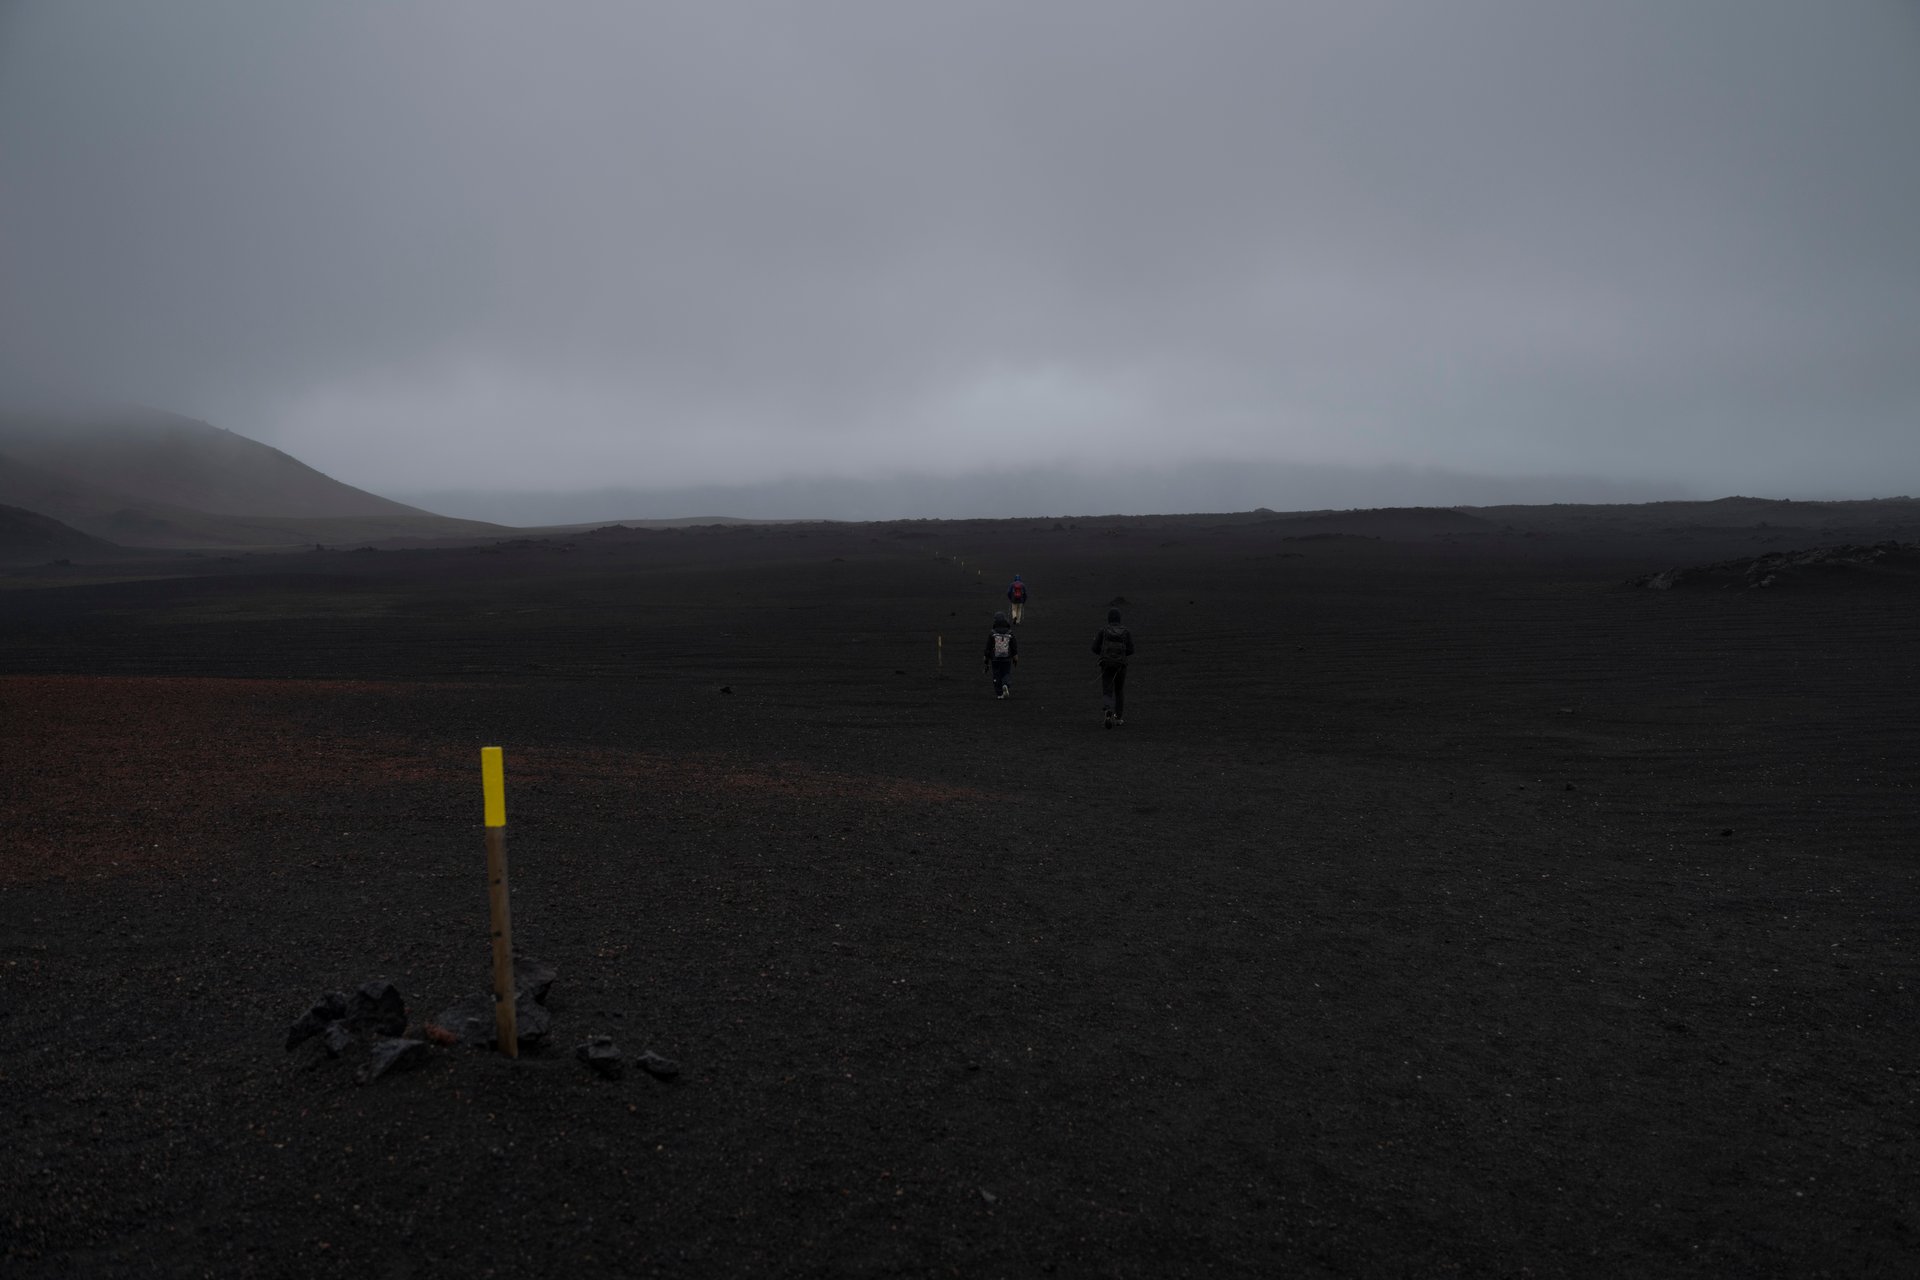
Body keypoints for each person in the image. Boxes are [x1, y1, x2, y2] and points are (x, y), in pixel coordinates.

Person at [1091, 607, 1134, 727]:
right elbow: (1131, 650)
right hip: (1121, 666)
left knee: (1107, 690)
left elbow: (1094, 648)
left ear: (1108, 618)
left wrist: (1104, 654)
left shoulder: (1103, 631)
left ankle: (1108, 710)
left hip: (1107, 665)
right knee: (1119, 691)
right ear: (1119, 619)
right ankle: (1118, 718)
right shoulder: (1126, 632)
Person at [983, 611, 1019, 699]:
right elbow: (1014, 646)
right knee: (1006, 672)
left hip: (995, 658)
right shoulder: (1010, 632)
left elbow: (988, 647)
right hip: (1007, 658)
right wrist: (1015, 657)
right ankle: (1005, 684)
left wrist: (986, 658)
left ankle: (999, 693)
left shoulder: (992, 632)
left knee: (996, 674)